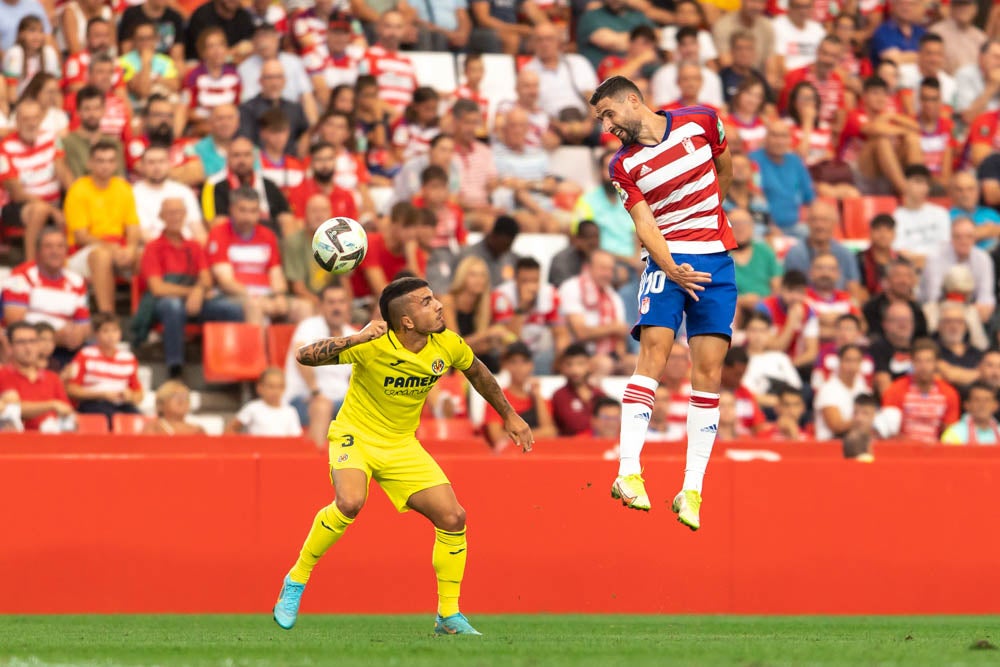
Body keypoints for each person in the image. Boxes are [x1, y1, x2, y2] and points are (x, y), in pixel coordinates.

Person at [271, 276, 533, 634]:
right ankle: (296, 580)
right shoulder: (373, 344)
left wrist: (509, 414)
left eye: (434, 297)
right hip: (355, 436)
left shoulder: (446, 344)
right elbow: (304, 355)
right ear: (406, 321)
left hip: (401, 445)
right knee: (350, 502)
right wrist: (358, 337)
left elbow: (478, 372)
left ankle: (448, 616)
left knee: (454, 517)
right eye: (426, 302)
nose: (438, 304)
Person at [591, 76, 737, 530]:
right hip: (666, 263)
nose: (608, 125)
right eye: (602, 120)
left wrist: (709, 221)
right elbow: (643, 222)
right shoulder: (623, 166)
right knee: (654, 351)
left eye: (610, 114)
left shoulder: (702, 121)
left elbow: (724, 169)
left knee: (710, 371)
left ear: (633, 101)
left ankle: (692, 488)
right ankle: (628, 471)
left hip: (715, 261)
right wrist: (669, 264)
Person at [136, 197, 243, 378]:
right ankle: (175, 365)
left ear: (185, 215)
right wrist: (192, 292)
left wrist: (199, 291)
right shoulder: (153, 247)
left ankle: (229, 363)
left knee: (232, 309)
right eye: (170, 213)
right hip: (161, 304)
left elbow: (206, 279)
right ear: (161, 216)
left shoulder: (194, 246)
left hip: (195, 301)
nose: (175, 217)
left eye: (179, 212)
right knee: (173, 306)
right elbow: (157, 288)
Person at [64, 140, 140, 314]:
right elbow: (81, 237)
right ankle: (108, 317)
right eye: (100, 161)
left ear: (116, 164)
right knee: (101, 255)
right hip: (82, 252)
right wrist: (113, 248)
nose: (105, 166)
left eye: (110, 161)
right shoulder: (78, 189)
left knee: (145, 255)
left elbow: (133, 226)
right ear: (90, 163)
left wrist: (131, 248)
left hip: (118, 248)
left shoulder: (123, 188)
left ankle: (141, 320)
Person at [2, 226, 90, 365]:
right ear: (38, 251)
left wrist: (77, 335)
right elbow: (16, 323)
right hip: (24, 349)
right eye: (48, 246)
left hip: (66, 350)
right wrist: (53, 336)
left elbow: (83, 325)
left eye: (60, 246)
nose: (55, 252)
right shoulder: (21, 276)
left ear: (66, 252)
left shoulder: (77, 281)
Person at [283, 284, 356, 448]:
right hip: (303, 399)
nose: (336, 307)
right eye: (331, 302)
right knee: (322, 406)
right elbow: (301, 357)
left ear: (347, 305)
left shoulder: (353, 335)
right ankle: (316, 464)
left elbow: (355, 377)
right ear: (321, 306)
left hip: (341, 403)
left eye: (341, 302)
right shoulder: (309, 327)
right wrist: (315, 390)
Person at [492, 256, 569, 374]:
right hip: (512, 353)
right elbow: (508, 340)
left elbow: (561, 334)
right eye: (525, 281)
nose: (531, 286)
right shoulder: (502, 296)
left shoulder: (550, 294)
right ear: (515, 279)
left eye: (535, 281)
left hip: (541, 352)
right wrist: (522, 307)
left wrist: (560, 361)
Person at [66, 313, 143, 429]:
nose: (111, 336)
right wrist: (102, 394)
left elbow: (139, 393)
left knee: (139, 420)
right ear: (96, 334)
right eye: (105, 331)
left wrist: (130, 396)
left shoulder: (129, 358)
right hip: (93, 403)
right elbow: (72, 390)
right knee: (111, 418)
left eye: (115, 331)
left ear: (120, 333)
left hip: (122, 404)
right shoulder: (85, 355)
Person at [878, 338, 960, 443]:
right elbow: (889, 431)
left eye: (928, 361)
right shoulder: (895, 390)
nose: (923, 366)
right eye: (919, 361)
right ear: (912, 362)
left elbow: (950, 434)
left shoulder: (949, 393)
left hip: (935, 451)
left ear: (936, 363)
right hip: (902, 450)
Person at [0, 320, 75, 432]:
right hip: (17, 442)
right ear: (10, 346)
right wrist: (51, 405)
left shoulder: (52, 378)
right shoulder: (3, 374)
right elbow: (12, 408)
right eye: (21, 342)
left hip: (53, 440)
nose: (28, 347)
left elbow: (66, 409)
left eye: (32, 341)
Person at [483, 341, 557, 448]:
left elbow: (550, 432)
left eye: (524, 362)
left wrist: (537, 396)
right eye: (513, 362)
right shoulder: (497, 399)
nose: (519, 367)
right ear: (506, 365)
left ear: (531, 365)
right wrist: (536, 435)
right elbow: (496, 436)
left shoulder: (539, 399)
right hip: (509, 456)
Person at [749, 121, 815, 237]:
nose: (779, 141)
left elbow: (810, 198)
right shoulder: (753, 161)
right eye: (774, 135)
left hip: (795, 227)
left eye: (784, 136)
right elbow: (754, 198)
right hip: (762, 227)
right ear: (765, 138)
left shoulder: (795, 161)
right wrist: (769, 227)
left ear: (790, 140)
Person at [814, 343, 870, 440]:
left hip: (857, 443)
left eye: (856, 361)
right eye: (848, 360)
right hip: (830, 444)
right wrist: (863, 421)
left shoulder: (864, 389)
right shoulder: (828, 389)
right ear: (839, 362)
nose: (852, 365)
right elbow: (836, 426)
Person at [228, 367, 303, 437]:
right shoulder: (252, 408)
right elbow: (232, 428)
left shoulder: (290, 411)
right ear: (260, 388)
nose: (275, 391)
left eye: (280, 386)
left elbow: (295, 438)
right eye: (271, 386)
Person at [550, 343, 606, 436]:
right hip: (570, 447)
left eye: (580, 364)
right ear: (563, 367)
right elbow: (573, 424)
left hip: (598, 447)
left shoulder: (599, 394)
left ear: (589, 365)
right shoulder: (560, 395)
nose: (575, 370)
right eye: (569, 364)